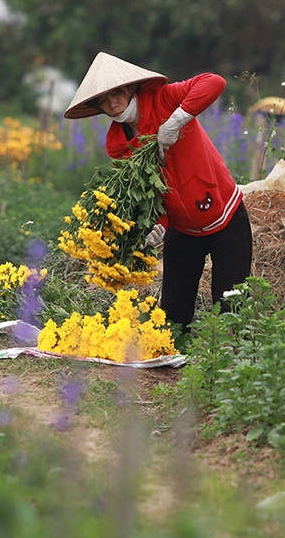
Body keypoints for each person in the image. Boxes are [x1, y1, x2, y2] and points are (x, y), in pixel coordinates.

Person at [65, 52, 252, 332]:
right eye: (104, 100)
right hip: (183, 230)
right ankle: (173, 366)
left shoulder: (164, 98)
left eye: (116, 93)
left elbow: (213, 82)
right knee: (173, 316)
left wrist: (176, 120)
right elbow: (148, 190)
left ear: (130, 88)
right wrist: (159, 226)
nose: (113, 104)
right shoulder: (117, 143)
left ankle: (233, 369)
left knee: (232, 309)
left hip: (224, 217)